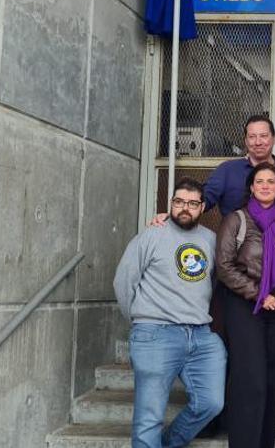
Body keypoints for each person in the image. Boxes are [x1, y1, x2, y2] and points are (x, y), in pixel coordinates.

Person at [113, 178, 225, 448]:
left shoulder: (210, 240)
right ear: (171, 203)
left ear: (202, 207)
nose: (184, 208)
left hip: (200, 336)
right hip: (156, 333)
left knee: (211, 403)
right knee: (148, 418)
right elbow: (123, 281)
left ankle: (168, 443)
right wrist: (142, 322)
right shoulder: (151, 235)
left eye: (192, 203)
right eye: (178, 202)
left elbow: (217, 282)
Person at [215, 163, 275, 448]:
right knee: (251, 381)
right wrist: (258, 294)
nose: (265, 186)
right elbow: (224, 267)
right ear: (251, 187)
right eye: (259, 181)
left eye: (270, 181)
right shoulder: (236, 220)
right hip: (245, 305)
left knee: (274, 380)